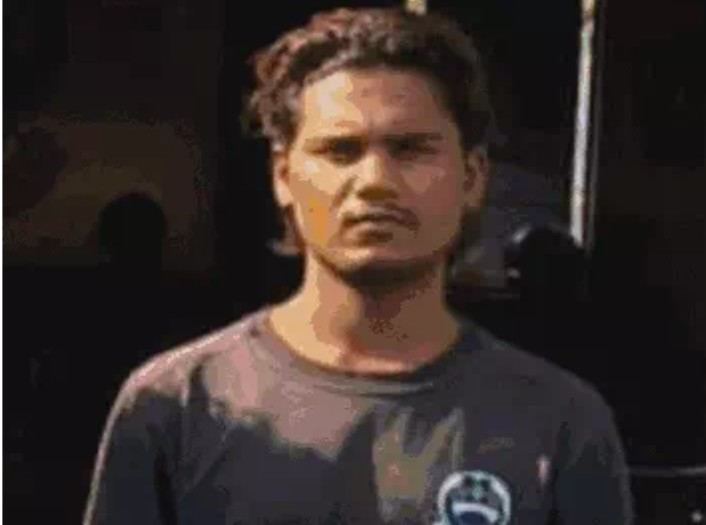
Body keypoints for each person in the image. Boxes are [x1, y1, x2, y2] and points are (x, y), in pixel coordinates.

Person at [83, 7, 634, 524]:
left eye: (411, 149)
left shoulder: (560, 422)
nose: (374, 182)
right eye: (340, 151)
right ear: (283, 176)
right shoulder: (177, 405)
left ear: (472, 177)